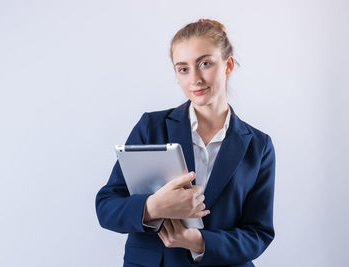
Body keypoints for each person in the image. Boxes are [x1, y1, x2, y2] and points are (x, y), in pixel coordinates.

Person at [95, 18, 276, 267]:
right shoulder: (151, 127)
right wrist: (152, 207)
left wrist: (199, 241)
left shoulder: (259, 146)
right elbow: (107, 207)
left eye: (205, 64)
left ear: (228, 65)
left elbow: (258, 233)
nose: (195, 79)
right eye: (183, 68)